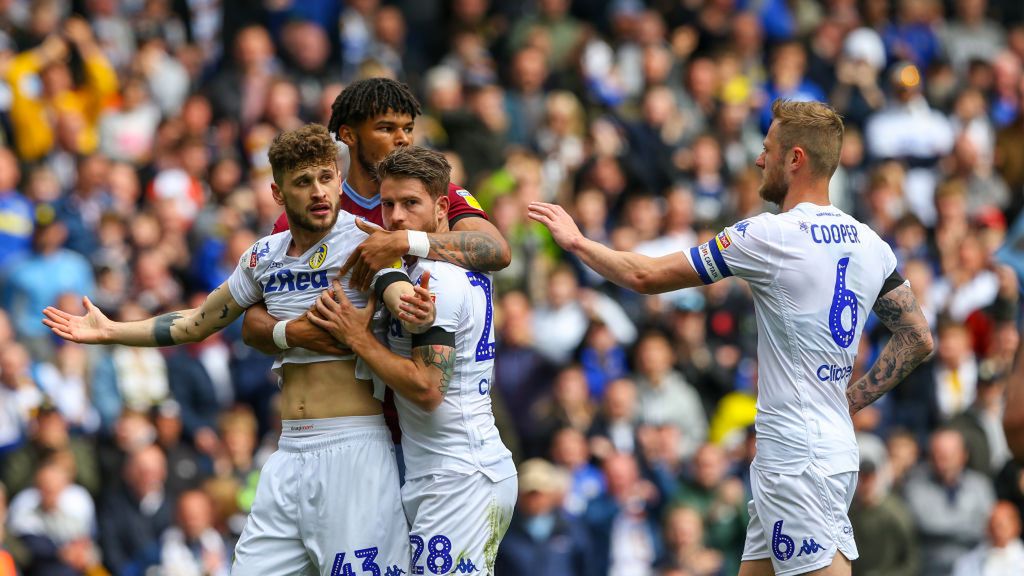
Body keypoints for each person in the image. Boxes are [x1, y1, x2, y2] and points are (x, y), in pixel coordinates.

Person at [530, 99, 935, 576]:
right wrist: (848, 401)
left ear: (795, 158)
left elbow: (645, 276)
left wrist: (579, 243)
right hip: (815, 448)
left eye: (767, 149)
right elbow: (918, 339)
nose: (759, 160)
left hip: (797, 459)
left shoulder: (770, 235)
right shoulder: (870, 243)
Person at [41, 123, 435, 575]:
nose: (319, 191)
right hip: (288, 453)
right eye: (303, 182)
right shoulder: (262, 256)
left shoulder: (364, 240)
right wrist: (113, 331)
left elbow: (397, 292)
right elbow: (195, 323)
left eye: (327, 178)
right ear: (278, 193)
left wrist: (412, 307)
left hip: (355, 448)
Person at [240, 77, 511, 476]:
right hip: (349, 427)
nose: (402, 139)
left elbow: (496, 251)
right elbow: (251, 322)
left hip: (432, 424)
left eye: (408, 129)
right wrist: (294, 334)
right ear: (348, 135)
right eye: (386, 128)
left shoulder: (437, 192)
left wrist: (403, 241)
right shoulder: (311, 210)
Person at [308, 146, 517, 575]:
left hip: (458, 477)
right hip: (451, 472)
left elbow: (427, 389)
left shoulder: (435, 278)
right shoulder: (431, 265)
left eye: (410, 204)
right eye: (388, 205)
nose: (397, 217)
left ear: (442, 207)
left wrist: (358, 338)